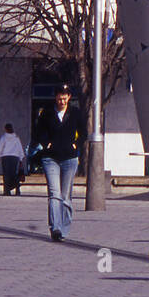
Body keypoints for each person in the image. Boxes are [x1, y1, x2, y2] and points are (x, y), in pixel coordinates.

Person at [34, 86, 85, 241]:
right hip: (51, 158)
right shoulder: (47, 113)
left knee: (65, 196)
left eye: (64, 98)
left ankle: (64, 228)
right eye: (59, 98)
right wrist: (45, 143)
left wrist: (76, 144)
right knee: (54, 194)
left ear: (69, 97)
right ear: (55, 97)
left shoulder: (75, 113)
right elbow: (38, 132)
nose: (62, 101)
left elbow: (84, 132)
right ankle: (55, 228)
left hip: (69, 158)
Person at [0, 122, 25, 196]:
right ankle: (17, 189)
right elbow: (19, 148)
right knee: (13, 174)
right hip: (14, 157)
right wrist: (21, 158)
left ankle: (7, 191)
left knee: (6, 175)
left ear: (5, 129)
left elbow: (0, 147)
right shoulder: (16, 138)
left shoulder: (3, 137)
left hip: (5, 157)